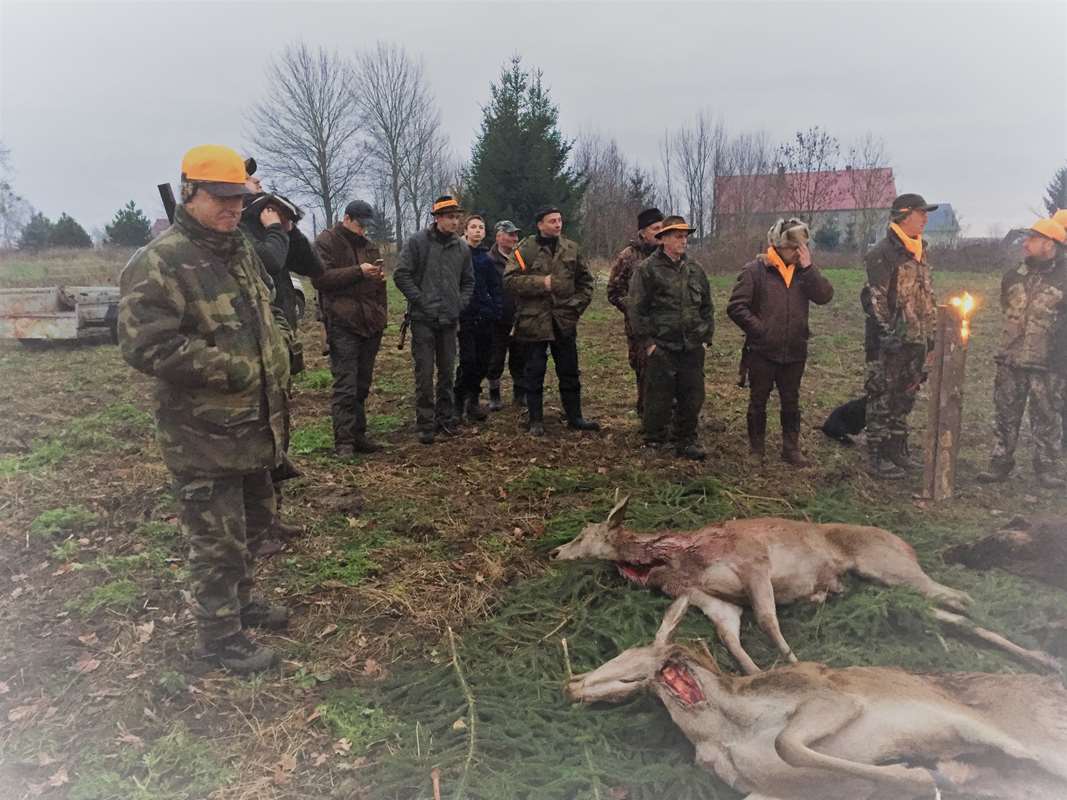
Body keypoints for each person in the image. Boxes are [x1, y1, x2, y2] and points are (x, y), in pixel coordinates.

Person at [118, 145, 290, 673]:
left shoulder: (239, 250)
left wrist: (279, 343)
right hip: (202, 434)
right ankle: (219, 637)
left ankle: (241, 601)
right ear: (189, 193)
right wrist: (232, 369)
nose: (233, 208)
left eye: (238, 199)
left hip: (255, 424)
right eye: (220, 198)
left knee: (256, 522)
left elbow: (267, 308)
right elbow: (145, 345)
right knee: (216, 541)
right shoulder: (161, 261)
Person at [727, 218, 834, 465]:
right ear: (778, 245)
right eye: (793, 247)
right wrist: (760, 331)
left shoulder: (804, 273)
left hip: (795, 350)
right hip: (762, 352)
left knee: (791, 401)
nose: (798, 252)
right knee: (758, 401)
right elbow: (736, 307)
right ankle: (756, 451)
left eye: (802, 247)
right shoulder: (755, 271)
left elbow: (825, 296)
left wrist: (809, 269)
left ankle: (791, 449)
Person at [976, 218, 1067, 488]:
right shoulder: (1015, 274)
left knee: (1047, 416)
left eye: (1033, 239)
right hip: (1011, 359)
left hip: (1048, 362)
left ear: (1049, 244)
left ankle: (1047, 468)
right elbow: (1006, 306)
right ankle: (1000, 463)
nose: (1026, 244)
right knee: (1005, 413)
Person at [861, 193, 939, 479]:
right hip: (889, 344)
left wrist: (931, 337)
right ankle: (877, 454)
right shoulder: (882, 253)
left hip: (916, 341)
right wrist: (888, 336)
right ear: (904, 215)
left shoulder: (919, 251)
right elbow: (876, 300)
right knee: (881, 397)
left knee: (905, 397)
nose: (925, 218)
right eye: (921, 213)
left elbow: (927, 296)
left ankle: (897, 449)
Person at [504, 206, 599, 436]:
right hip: (534, 321)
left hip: (563, 321)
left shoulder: (571, 248)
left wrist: (574, 308)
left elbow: (586, 283)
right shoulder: (525, 249)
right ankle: (535, 420)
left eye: (559, 220)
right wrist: (541, 283)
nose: (557, 224)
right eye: (552, 221)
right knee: (534, 372)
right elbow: (509, 281)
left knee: (569, 371)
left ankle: (575, 417)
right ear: (540, 225)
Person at [627, 215, 714, 459]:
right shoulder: (647, 270)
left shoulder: (695, 269)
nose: (683, 241)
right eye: (678, 236)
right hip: (662, 345)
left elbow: (707, 306)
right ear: (663, 238)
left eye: (685, 236)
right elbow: (637, 310)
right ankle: (654, 441)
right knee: (658, 396)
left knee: (692, 396)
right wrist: (648, 344)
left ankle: (686, 440)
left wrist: (705, 336)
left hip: (691, 346)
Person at [393, 195, 474, 444]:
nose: (455, 222)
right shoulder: (417, 242)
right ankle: (425, 424)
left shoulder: (462, 248)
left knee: (447, 373)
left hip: (449, 321)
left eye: (457, 217)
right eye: (450, 217)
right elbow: (401, 274)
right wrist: (421, 301)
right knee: (424, 375)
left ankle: (445, 420)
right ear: (437, 218)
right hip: (423, 320)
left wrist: (459, 304)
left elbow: (468, 282)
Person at [313, 200, 388, 456]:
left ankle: (359, 435)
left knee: (362, 383)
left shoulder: (369, 246)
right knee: (345, 385)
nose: (363, 230)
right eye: (359, 225)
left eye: (366, 226)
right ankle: (344, 441)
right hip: (342, 323)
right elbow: (320, 278)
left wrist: (381, 313)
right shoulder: (326, 241)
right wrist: (358, 271)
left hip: (370, 323)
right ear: (346, 218)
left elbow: (380, 287)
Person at [607, 207, 664, 415]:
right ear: (642, 232)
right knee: (645, 371)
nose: (660, 232)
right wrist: (634, 308)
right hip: (639, 330)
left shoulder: (668, 254)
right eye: (655, 228)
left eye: (662, 227)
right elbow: (613, 291)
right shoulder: (628, 256)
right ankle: (646, 414)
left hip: (666, 326)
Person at [455, 215, 504, 421]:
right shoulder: (457, 255)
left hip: (485, 317)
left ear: (484, 233)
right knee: (468, 361)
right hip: (464, 316)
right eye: (473, 227)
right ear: (465, 231)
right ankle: (458, 403)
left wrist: (496, 310)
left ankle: (473, 402)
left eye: (481, 227)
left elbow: (495, 287)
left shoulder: (486, 259)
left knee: (484, 362)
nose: (477, 230)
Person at [486, 220, 525, 410]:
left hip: (520, 317)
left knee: (520, 358)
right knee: (495, 359)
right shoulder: (488, 260)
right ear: (499, 236)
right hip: (497, 320)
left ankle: (520, 394)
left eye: (516, 235)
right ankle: (494, 395)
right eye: (510, 234)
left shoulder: (520, 258)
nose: (515, 238)